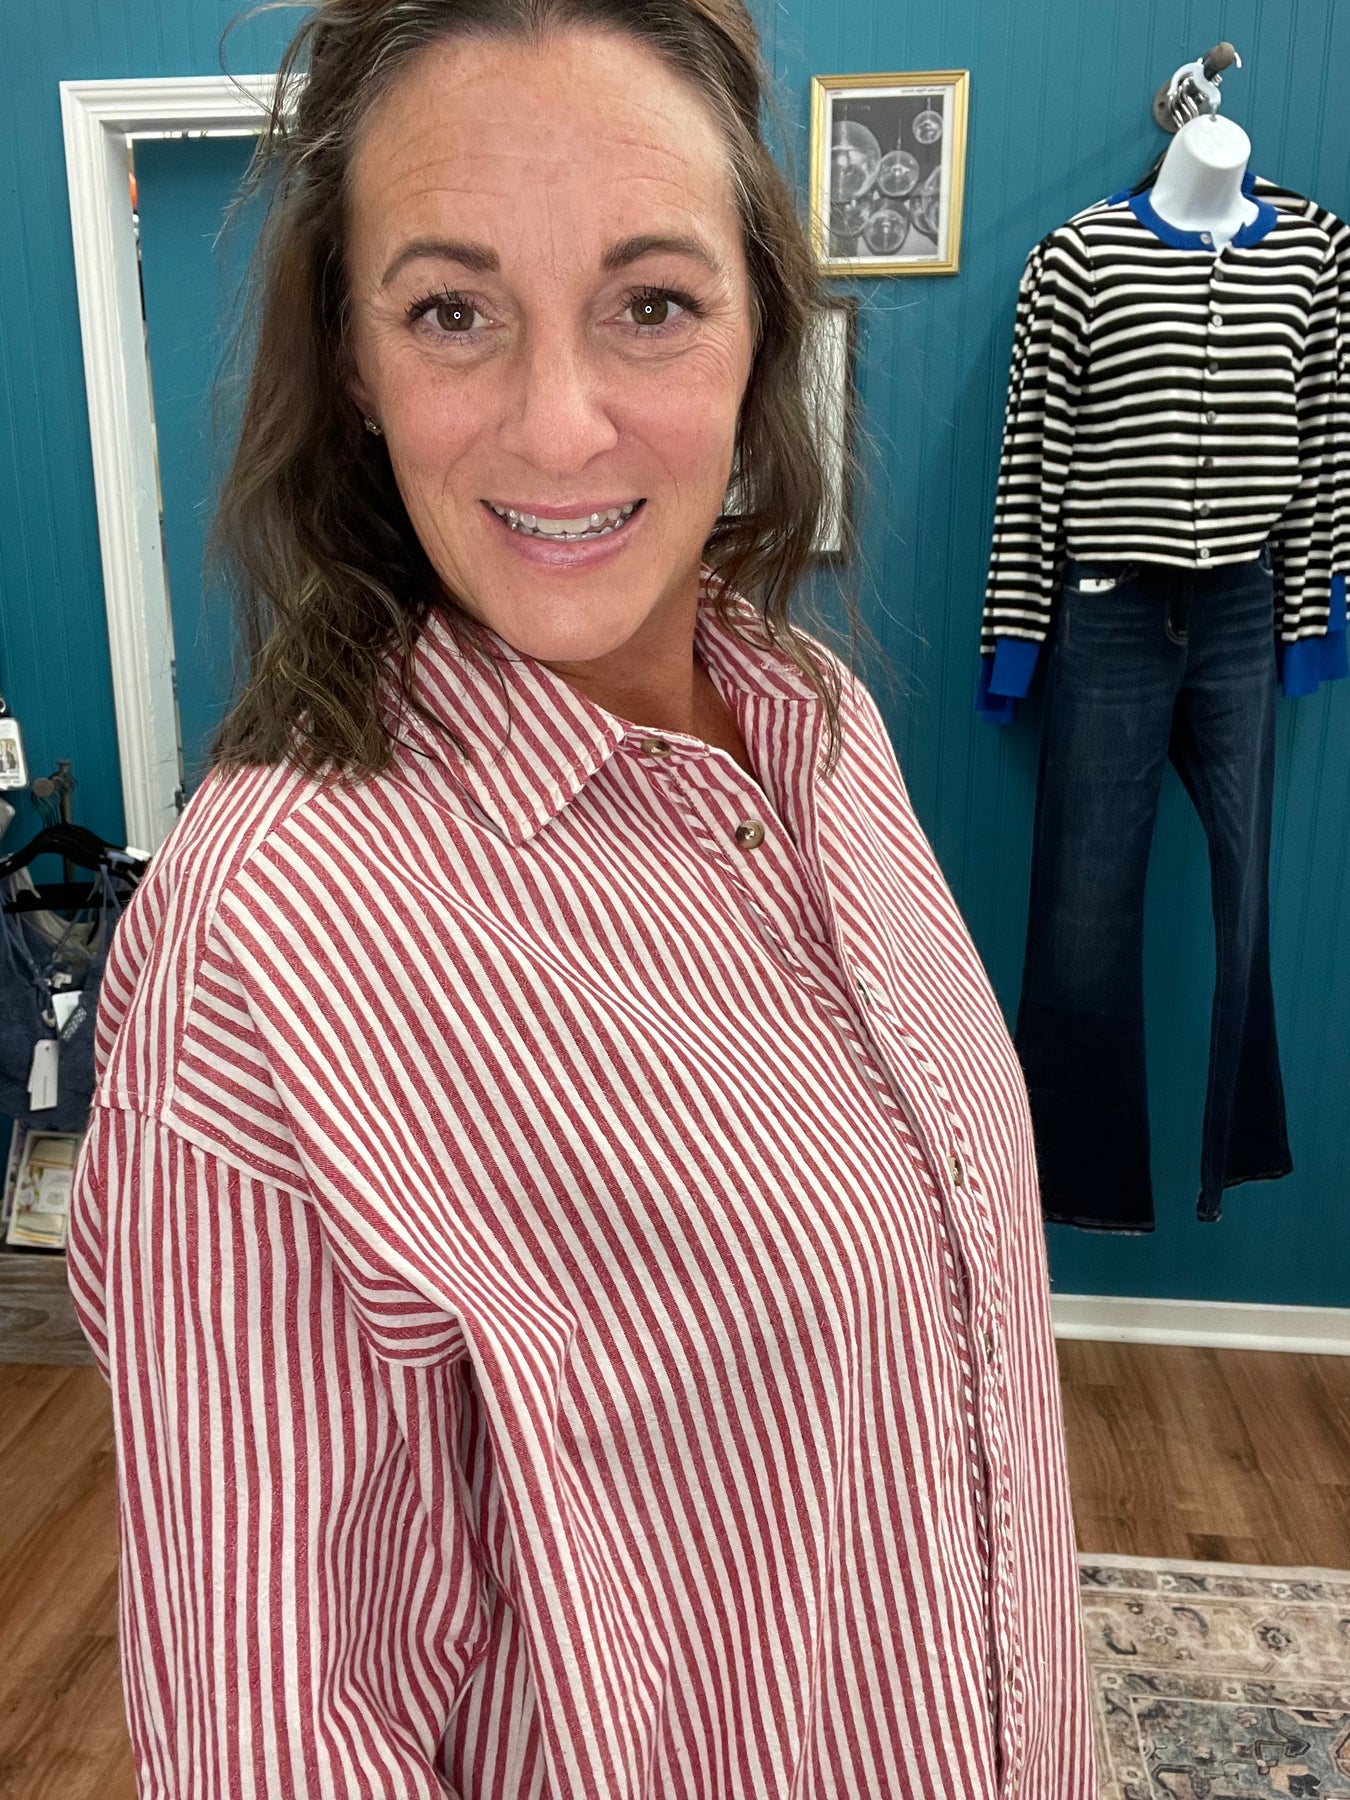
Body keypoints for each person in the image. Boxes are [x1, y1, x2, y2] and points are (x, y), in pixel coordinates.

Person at [67, 2, 1098, 1794]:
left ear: (761, 328)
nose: (559, 427)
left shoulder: (821, 725)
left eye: (652, 302)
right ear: (354, 359)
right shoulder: (273, 934)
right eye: (450, 312)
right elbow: (274, 1730)